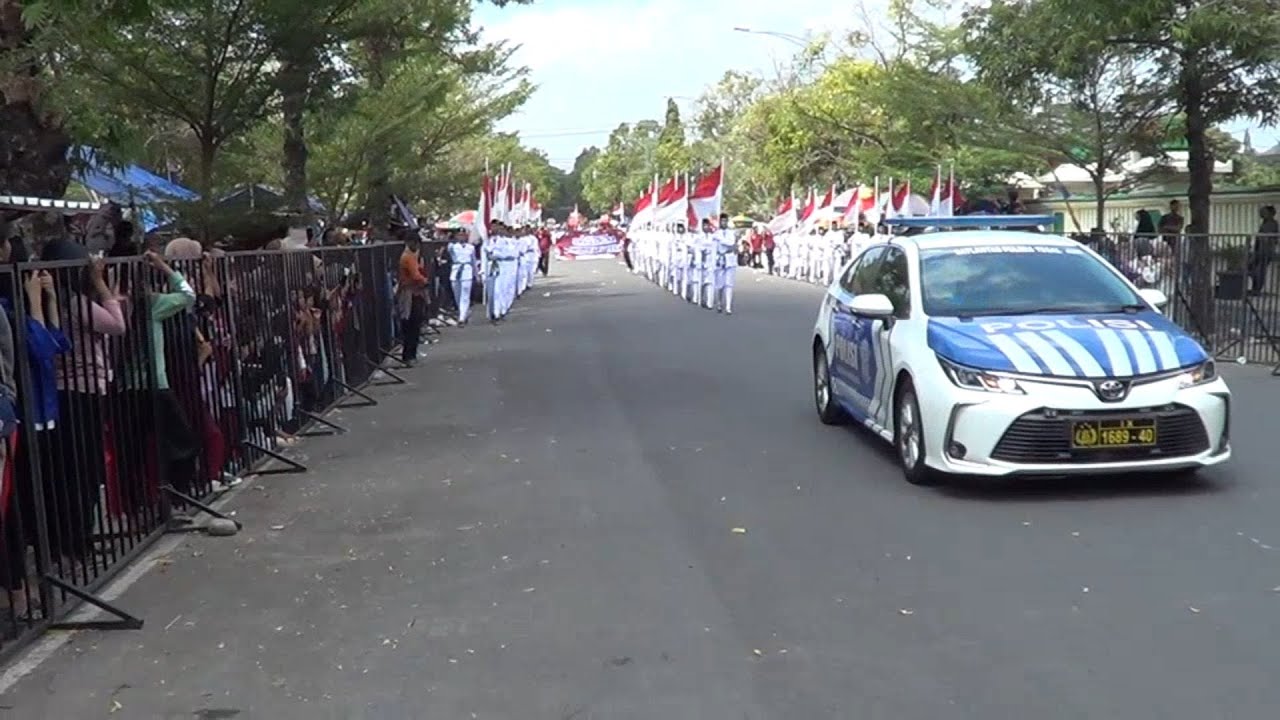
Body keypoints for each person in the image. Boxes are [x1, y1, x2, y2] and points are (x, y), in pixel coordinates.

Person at [396, 233, 428, 364]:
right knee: (412, 324)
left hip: (412, 291)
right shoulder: (408, 257)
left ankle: (409, 354)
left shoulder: (410, 256)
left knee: (411, 324)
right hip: (411, 293)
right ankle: (409, 355)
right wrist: (425, 281)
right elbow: (415, 275)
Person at [713, 213, 738, 314]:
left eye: (725, 221)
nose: (723, 223)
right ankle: (719, 303)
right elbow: (714, 247)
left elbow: (731, 243)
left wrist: (722, 240)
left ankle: (728, 306)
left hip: (729, 259)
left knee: (729, 284)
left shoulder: (731, 233)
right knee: (720, 285)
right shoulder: (716, 233)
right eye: (722, 221)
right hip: (719, 259)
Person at [449, 233, 476, 325]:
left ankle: (462, 317)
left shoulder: (471, 247)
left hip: (467, 271)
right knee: (457, 295)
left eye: (463, 235)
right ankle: (464, 312)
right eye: (459, 235)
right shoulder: (453, 247)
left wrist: (476, 274)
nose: (461, 237)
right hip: (456, 271)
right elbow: (449, 250)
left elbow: (473, 261)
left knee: (465, 294)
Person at [1251, 205, 1278, 295]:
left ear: (1270, 213)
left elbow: (1269, 238)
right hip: (1260, 250)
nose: (1261, 214)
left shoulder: (1272, 224)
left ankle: (1256, 289)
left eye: (1264, 212)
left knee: (1259, 270)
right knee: (1254, 269)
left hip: (1265, 251)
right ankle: (1255, 288)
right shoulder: (1265, 223)